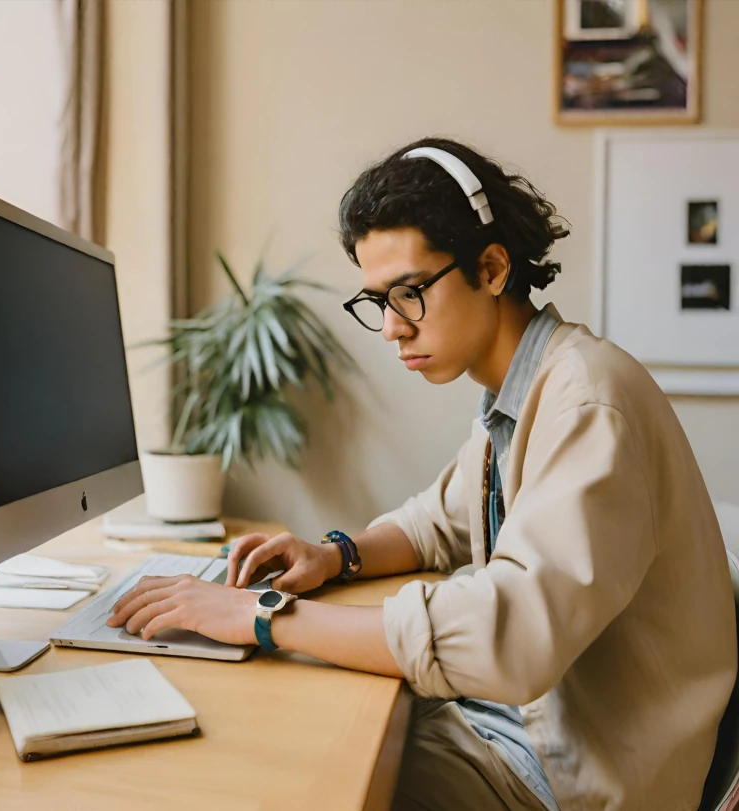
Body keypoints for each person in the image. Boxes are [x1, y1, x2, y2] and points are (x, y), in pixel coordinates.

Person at [107, 137, 737, 811]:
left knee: (293, 779)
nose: (390, 329)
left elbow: (512, 638)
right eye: (378, 300)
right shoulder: (520, 391)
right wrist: (334, 555)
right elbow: (436, 522)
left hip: (576, 779)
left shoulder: (585, 400)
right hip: (525, 730)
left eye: (408, 293)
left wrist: (264, 613)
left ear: (491, 268)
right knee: (296, 732)